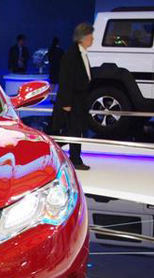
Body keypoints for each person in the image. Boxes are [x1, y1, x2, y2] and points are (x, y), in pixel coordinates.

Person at [51, 23, 94, 171]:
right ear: (83, 37)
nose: (92, 38)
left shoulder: (82, 53)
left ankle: (72, 157)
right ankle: (74, 159)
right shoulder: (71, 54)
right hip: (72, 100)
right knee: (73, 131)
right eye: (90, 36)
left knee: (76, 130)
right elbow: (66, 79)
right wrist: (66, 102)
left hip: (80, 100)